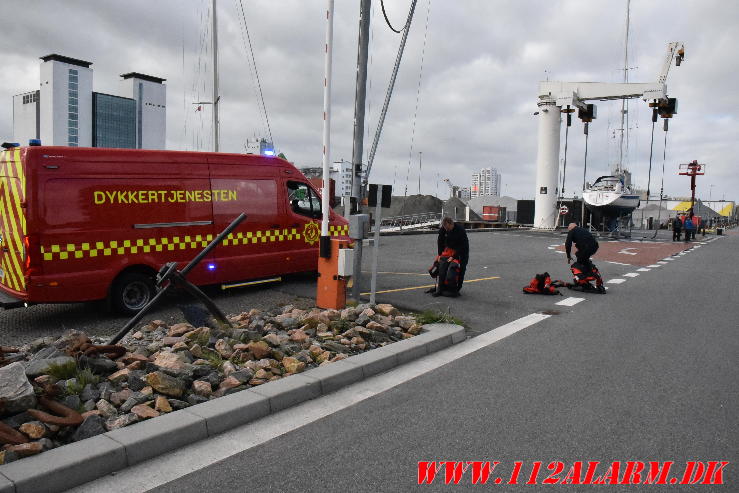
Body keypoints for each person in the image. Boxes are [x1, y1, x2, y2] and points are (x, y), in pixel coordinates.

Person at [436, 217, 469, 294]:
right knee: (443, 267)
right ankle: (441, 288)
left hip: (462, 251)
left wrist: (454, 256)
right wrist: (440, 254)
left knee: (461, 269)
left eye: (448, 228)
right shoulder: (443, 229)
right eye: (445, 228)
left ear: (451, 224)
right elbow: (440, 242)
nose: (446, 230)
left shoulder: (460, 230)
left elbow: (463, 245)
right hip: (450, 250)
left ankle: (457, 289)